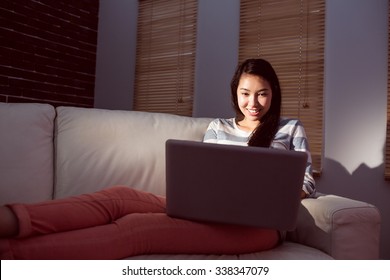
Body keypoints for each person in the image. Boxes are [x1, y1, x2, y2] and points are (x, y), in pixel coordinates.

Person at [0, 58, 315, 259]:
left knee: (136, 229)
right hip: (208, 210)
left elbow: (306, 181)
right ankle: (10, 219)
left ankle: (10, 254)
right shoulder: (218, 127)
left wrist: (277, 196)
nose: (253, 102)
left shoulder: (289, 128)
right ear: (235, 93)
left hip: (258, 227)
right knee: (118, 196)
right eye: (246, 93)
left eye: (262, 93)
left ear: (273, 93)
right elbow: (207, 175)